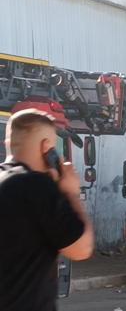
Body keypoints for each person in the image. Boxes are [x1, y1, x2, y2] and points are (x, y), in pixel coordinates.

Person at [0, 109, 94, 311]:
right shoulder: (36, 185)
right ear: (47, 147)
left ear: (8, 143)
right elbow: (81, 248)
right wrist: (71, 193)